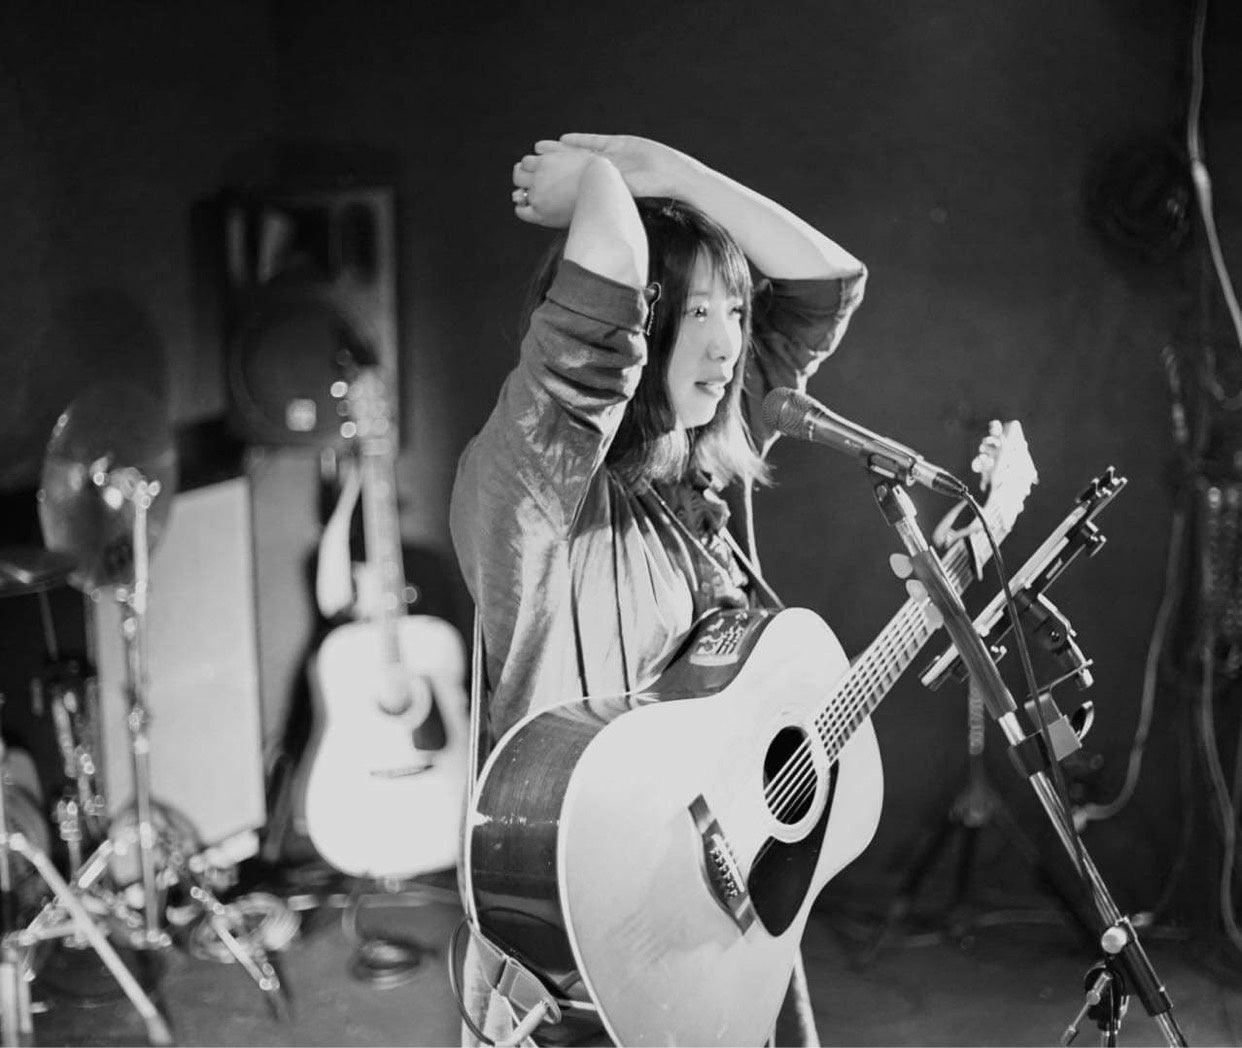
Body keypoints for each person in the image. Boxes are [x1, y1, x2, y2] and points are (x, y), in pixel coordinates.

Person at [449, 132, 867, 1047]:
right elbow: (598, 302)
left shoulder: (695, 462)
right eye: (696, 312)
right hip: (589, 960)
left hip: (714, 925)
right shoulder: (536, 479)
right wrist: (602, 180)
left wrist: (674, 172)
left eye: (735, 312)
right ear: (642, 327)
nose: (727, 343)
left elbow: (824, 286)